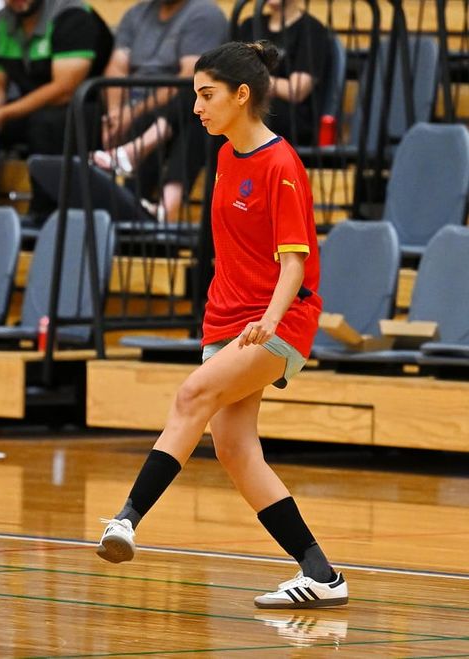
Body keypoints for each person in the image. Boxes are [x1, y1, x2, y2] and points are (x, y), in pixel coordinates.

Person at [96, 41, 348, 609]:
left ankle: (125, 520)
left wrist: (269, 320)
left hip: (277, 320)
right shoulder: (229, 154)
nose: (196, 108)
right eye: (194, 96)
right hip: (226, 319)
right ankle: (322, 574)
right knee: (235, 450)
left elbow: (296, 262)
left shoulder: (281, 166)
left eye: (205, 95)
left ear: (241, 95)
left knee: (192, 397)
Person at [0, 0, 113, 216]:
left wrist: (4, 113)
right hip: (31, 108)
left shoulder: (73, 16)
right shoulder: (1, 22)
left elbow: (64, 89)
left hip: (84, 110)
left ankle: (43, 214)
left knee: (46, 123)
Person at [94, 0, 227, 220]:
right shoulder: (135, 13)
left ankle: (144, 194)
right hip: (137, 106)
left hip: (182, 106)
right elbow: (116, 68)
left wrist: (131, 113)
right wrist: (116, 113)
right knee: (81, 112)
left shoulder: (204, 13)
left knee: (194, 103)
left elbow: (190, 75)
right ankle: (129, 209)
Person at [234, 0, 332, 146]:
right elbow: (231, 72)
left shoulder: (312, 30)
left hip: (292, 118)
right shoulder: (249, 25)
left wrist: (256, 82)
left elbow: (297, 90)